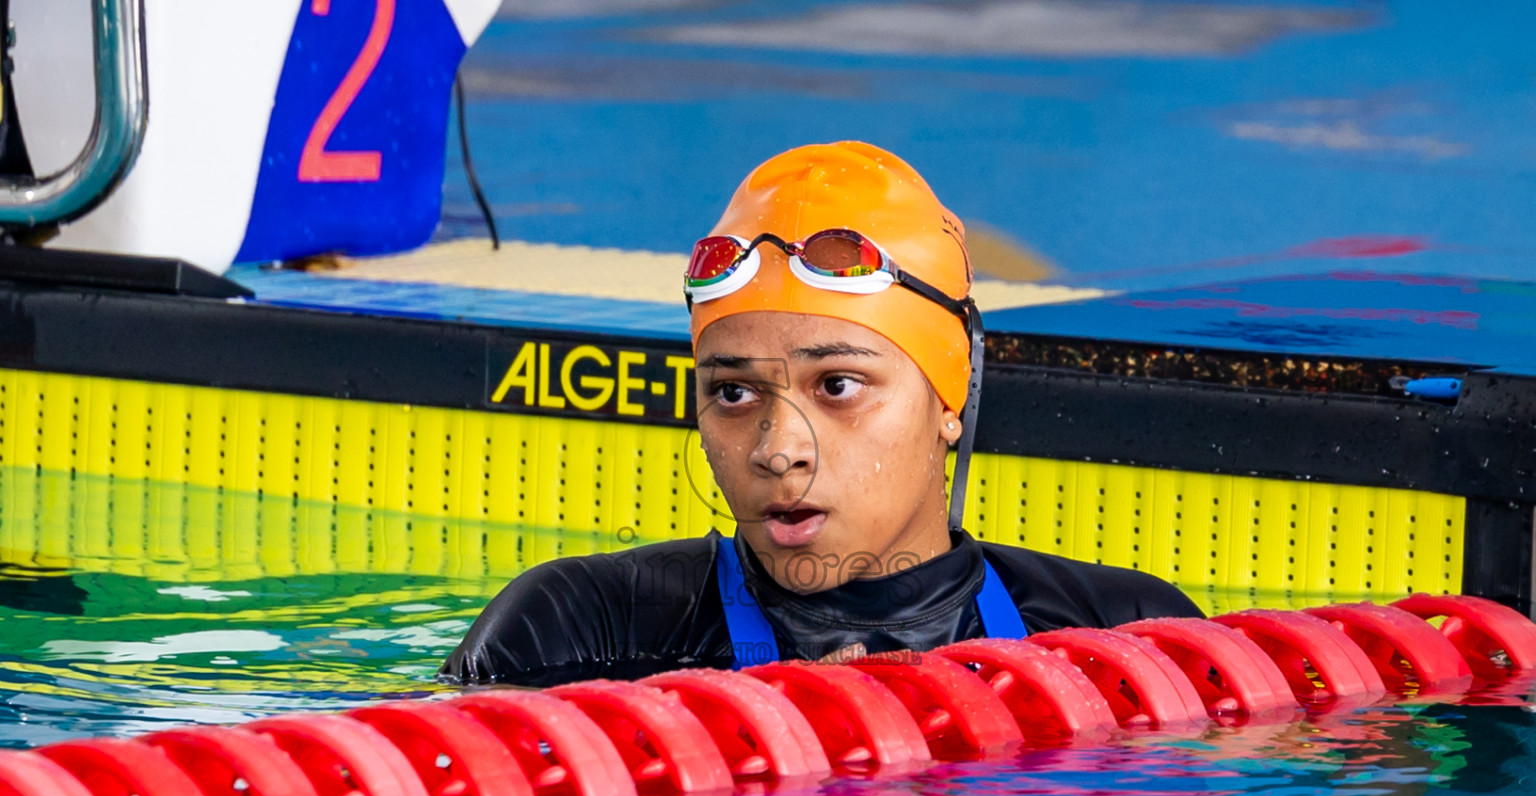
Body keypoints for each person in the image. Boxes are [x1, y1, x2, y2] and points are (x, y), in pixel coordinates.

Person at [443, 141, 1200, 686]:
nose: (778, 450)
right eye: (733, 393)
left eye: (837, 385)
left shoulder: (1122, 634)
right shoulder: (576, 630)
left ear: (950, 396)